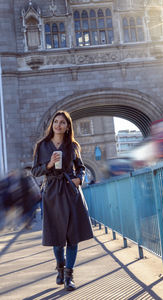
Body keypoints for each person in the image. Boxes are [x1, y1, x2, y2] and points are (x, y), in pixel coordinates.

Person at [31, 110, 93, 291]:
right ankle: (60, 266)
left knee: (72, 237)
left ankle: (69, 275)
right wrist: (49, 164)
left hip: (71, 192)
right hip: (52, 194)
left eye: (62, 123)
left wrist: (79, 179)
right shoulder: (42, 145)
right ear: (52, 125)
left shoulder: (72, 145)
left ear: (67, 127)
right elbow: (35, 171)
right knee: (57, 239)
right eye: (56, 122)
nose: (58, 125)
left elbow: (80, 168)